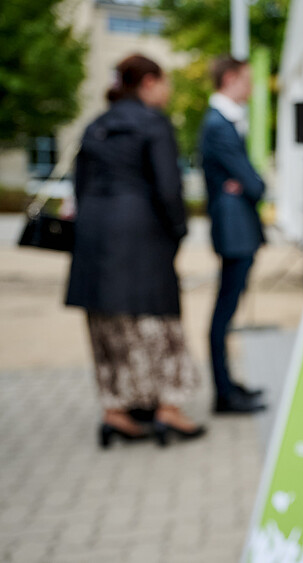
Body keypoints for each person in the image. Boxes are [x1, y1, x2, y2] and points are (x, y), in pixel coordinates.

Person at [66, 54, 204, 447]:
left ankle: (115, 411)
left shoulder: (96, 126)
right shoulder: (153, 123)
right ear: (148, 82)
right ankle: (167, 409)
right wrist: (178, 230)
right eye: (165, 82)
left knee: (107, 326)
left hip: (94, 238)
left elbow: (80, 186)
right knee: (157, 326)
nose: (168, 90)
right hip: (142, 237)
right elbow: (168, 188)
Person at [200, 55, 267, 413]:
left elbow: (248, 183)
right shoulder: (218, 125)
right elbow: (255, 184)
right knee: (223, 312)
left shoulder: (227, 122)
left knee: (228, 310)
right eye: (247, 79)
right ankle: (223, 393)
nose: (252, 87)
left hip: (240, 229)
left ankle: (229, 385)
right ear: (229, 79)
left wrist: (246, 183)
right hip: (233, 232)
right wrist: (251, 184)